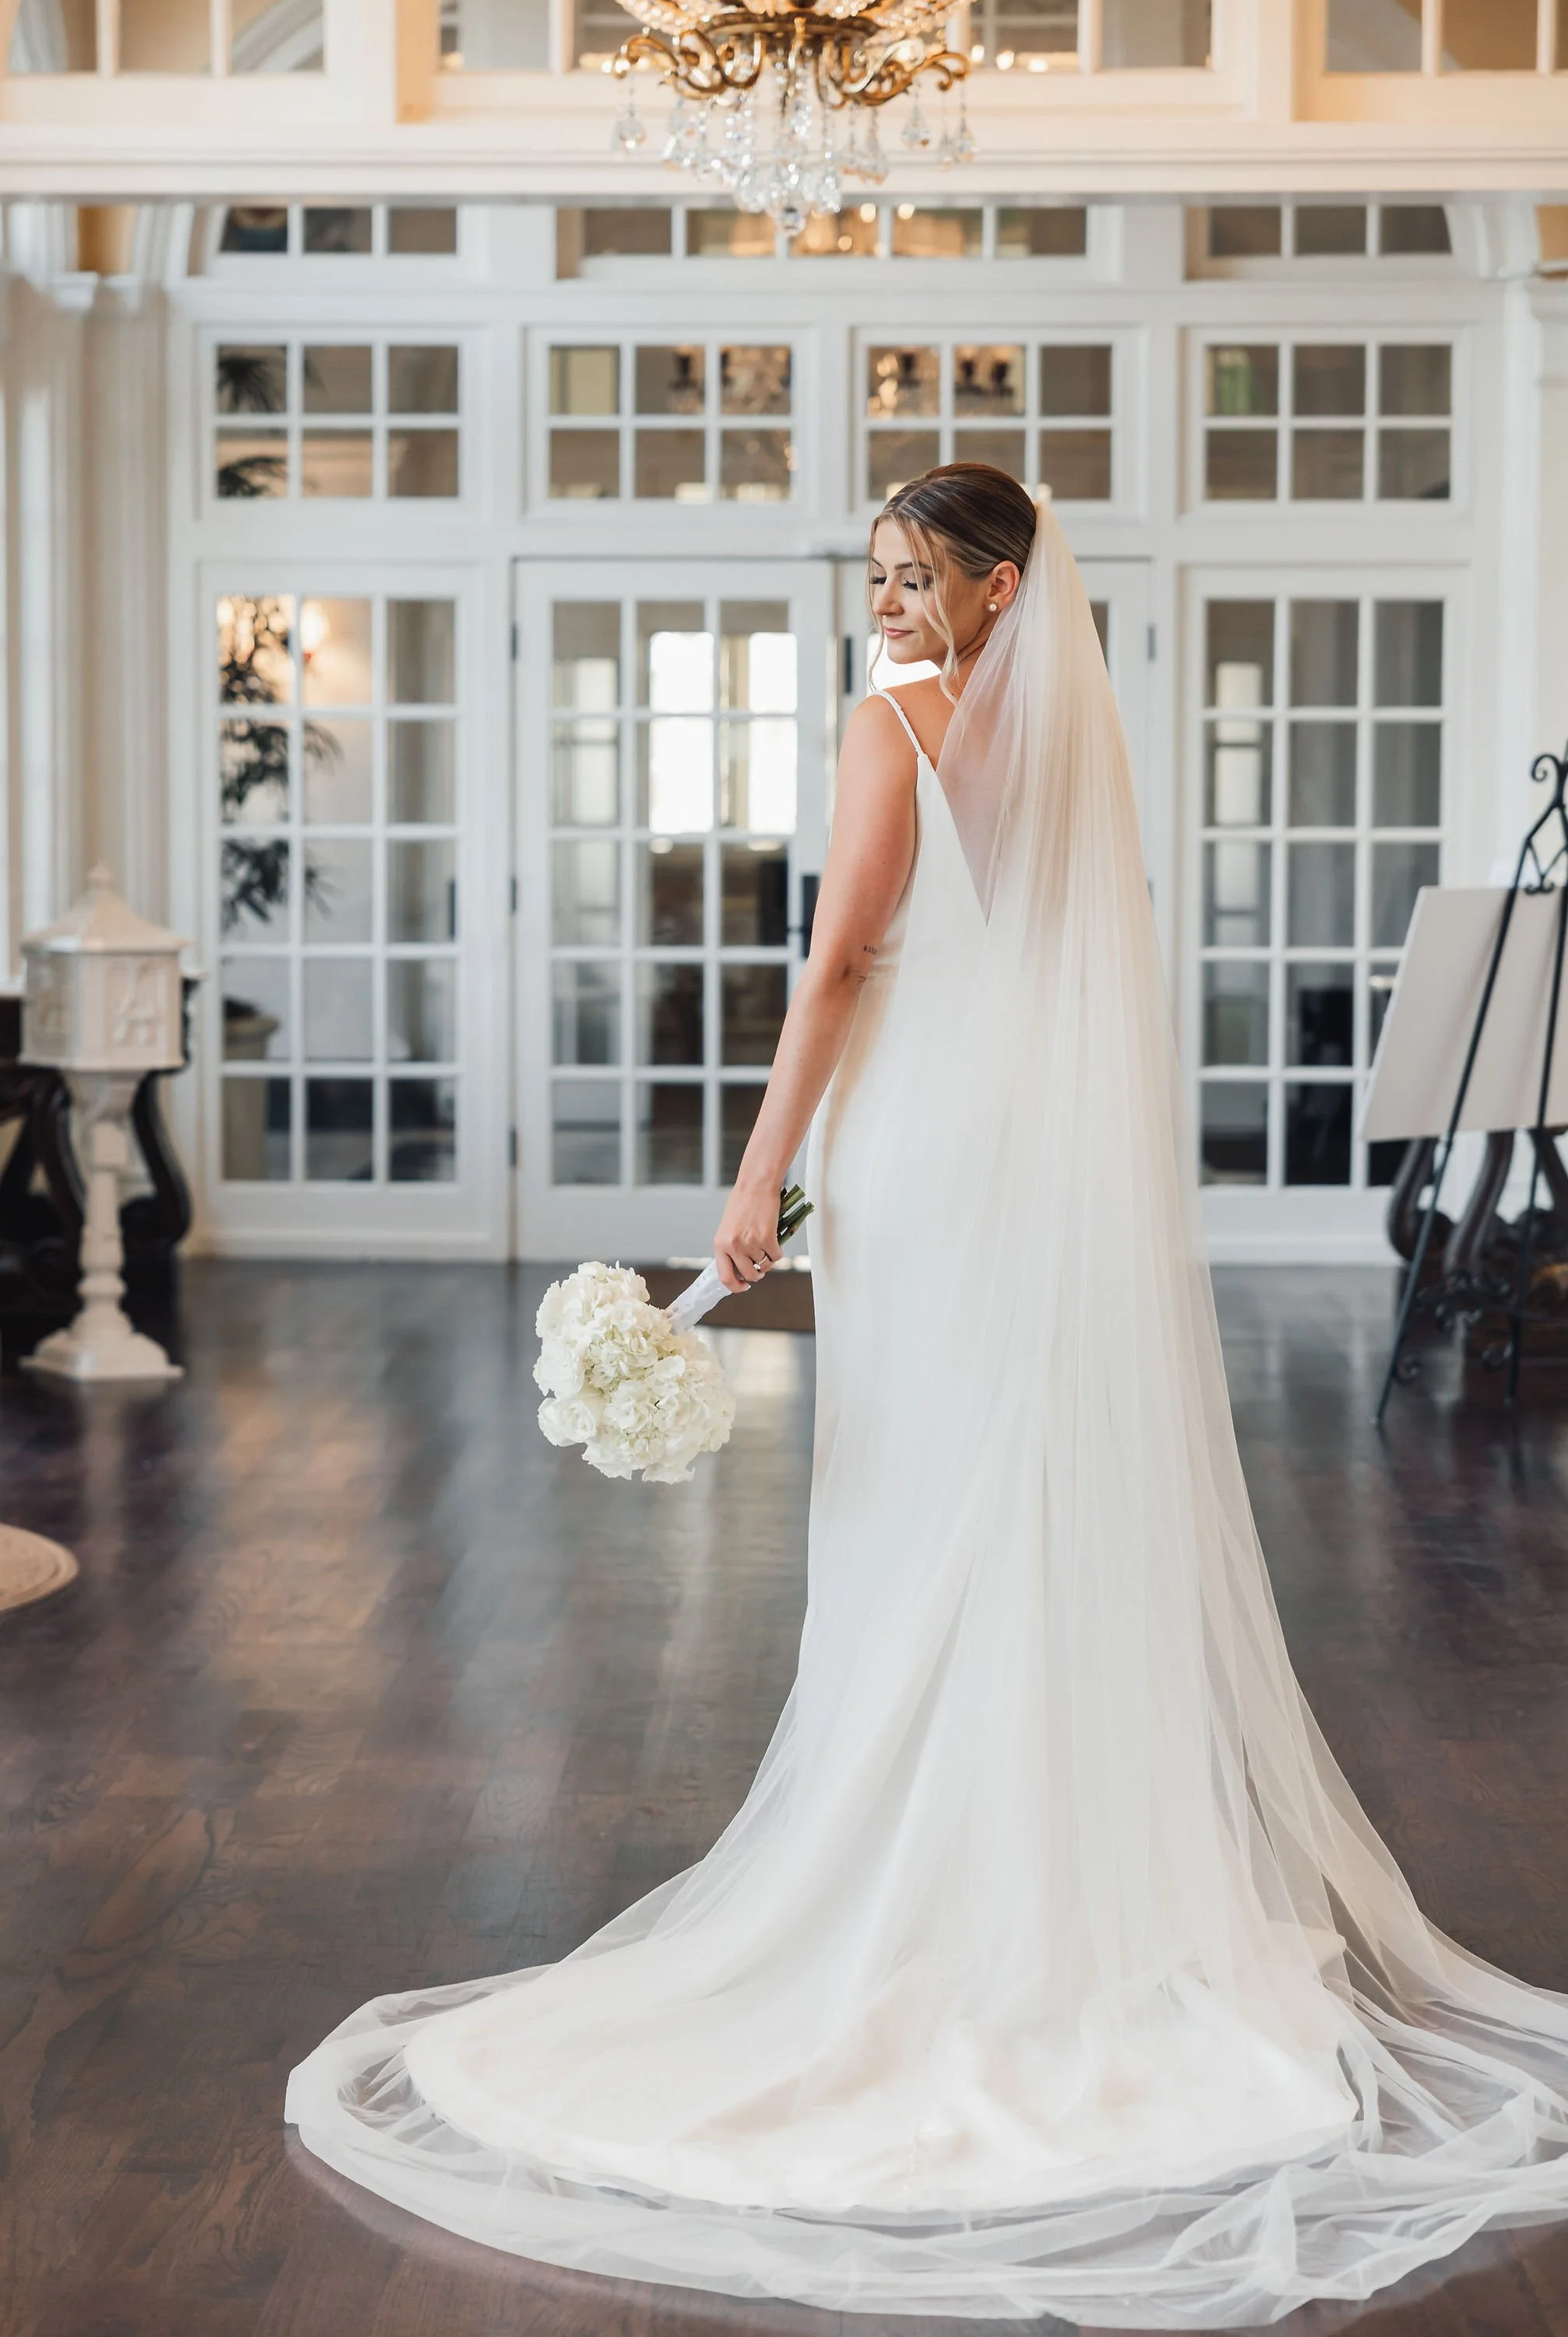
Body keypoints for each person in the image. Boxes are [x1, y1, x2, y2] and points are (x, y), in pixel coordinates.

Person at [288, 466, 1568, 2324]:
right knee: (1020, 1490)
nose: (886, 601)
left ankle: (946, 1895)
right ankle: (1065, 1888)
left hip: (926, 1162)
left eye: (917, 575)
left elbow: (841, 964)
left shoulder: (892, 718)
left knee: (916, 1500)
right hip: (1024, 1162)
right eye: (874, 574)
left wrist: (757, 1170)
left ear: (994, 587)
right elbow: (1024, 973)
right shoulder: (1067, 747)